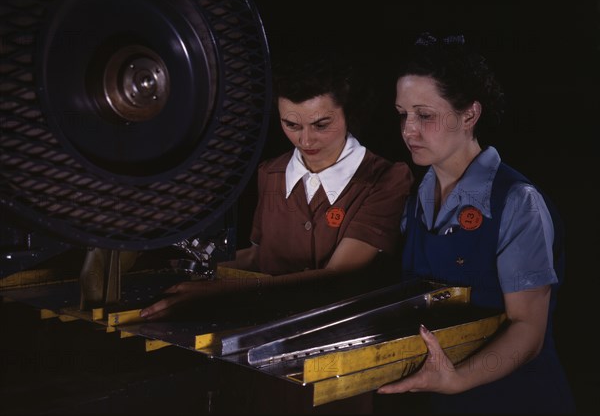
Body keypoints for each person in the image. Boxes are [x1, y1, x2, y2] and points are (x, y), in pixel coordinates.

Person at [376, 32, 575, 414]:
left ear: (469, 114)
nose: (408, 130)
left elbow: (528, 333)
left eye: (425, 115)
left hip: (518, 401)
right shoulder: (419, 197)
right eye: (403, 114)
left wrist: (457, 379)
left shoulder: (518, 203)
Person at [140, 50, 413, 321]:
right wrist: (184, 269)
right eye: (291, 124)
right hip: (266, 320)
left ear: (349, 113)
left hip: (342, 327)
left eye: (321, 124)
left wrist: (218, 290)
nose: (305, 140)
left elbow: (337, 277)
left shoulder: (385, 178)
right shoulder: (271, 172)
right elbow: (260, 257)